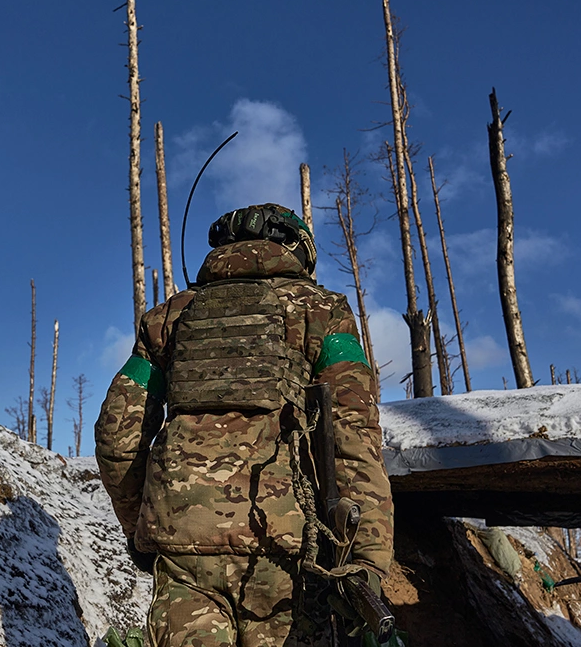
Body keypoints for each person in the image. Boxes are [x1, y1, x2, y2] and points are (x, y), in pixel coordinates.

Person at [95, 203, 394, 646]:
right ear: (297, 249)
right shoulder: (323, 311)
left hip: (182, 546)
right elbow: (354, 433)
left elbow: (117, 433)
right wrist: (367, 559)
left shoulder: (167, 319)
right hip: (285, 545)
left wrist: (143, 527)